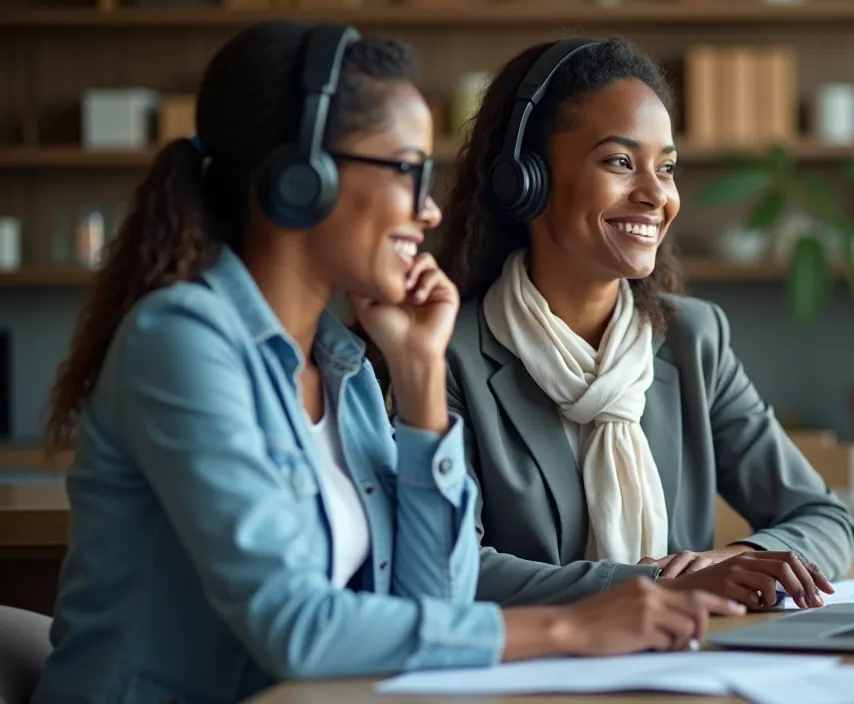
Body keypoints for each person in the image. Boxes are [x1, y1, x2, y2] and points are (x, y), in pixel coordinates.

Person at [31, 22, 740, 704]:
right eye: (406, 170)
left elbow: (436, 601)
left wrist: (421, 373)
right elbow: (295, 628)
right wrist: (574, 625)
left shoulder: (345, 368)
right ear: (301, 178)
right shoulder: (182, 344)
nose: (429, 210)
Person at [436, 36, 854, 612]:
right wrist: (652, 587)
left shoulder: (693, 339)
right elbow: (450, 566)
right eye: (619, 161)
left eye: (666, 167)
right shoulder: (445, 355)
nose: (656, 194)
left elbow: (823, 517)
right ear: (526, 177)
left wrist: (729, 561)